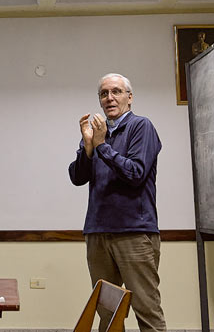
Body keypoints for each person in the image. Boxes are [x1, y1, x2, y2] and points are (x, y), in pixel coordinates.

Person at [68, 73, 166, 332]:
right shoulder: (96, 133)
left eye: (116, 92)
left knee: (147, 309)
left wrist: (101, 146)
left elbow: (135, 173)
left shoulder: (141, 126)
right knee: (107, 313)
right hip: (97, 232)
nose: (109, 98)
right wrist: (88, 148)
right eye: (104, 93)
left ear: (129, 97)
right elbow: (77, 177)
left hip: (134, 232)